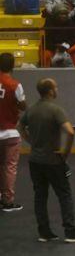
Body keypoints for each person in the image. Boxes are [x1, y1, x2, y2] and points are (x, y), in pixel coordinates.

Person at [18, 78, 75, 243]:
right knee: (64, 194)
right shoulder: (56, 110)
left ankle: (44, 232)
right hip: (53, 160)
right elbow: (70, 132)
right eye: (55, 87)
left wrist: (31, 142)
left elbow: (19, 127)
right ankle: (70, 231)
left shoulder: (32, 110)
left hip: (35, 160)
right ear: (50, 91)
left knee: (40, 196)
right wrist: (65, 152)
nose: (57, 90)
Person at [0, 53, 25, 212]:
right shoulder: (15, 85)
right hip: (10, 132)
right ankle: (8, 201)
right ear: (13, 66)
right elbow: (23, 106)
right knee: (9, 167)